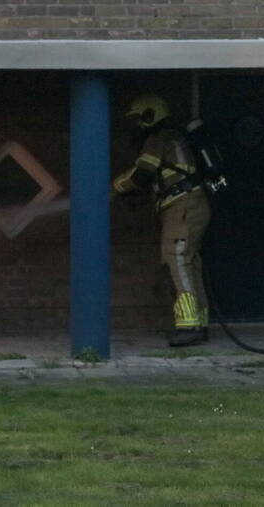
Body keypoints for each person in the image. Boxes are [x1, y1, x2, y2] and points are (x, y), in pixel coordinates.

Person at [111, 94, 212, 347]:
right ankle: (199, 322)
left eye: (139, 118)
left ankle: (189, 326)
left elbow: (142, 174)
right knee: (188, 262)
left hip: (183, 207)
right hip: (189, 205)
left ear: (150, 114)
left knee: (176, 259)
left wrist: (114, 187)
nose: (137, 125)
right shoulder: (173, 138)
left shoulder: (159, 138)